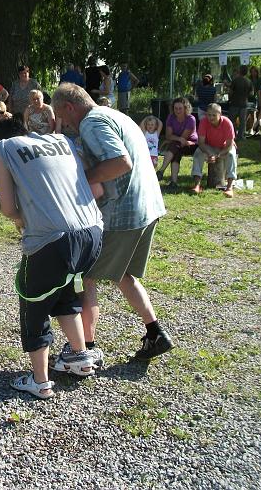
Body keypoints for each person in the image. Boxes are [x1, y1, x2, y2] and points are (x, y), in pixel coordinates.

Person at [52, 83, 172, 364]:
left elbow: (121, 162)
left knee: (87, 277)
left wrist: (83, 181)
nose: (64, 123)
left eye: (62, 115)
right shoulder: (116, 115)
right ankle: (155, 333)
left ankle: (85, 349)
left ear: (70, 106)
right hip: (147, 207)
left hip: (123, 214)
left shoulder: (92, 123)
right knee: (123, 275)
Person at [0, 117, 103, 399]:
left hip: (52, 240)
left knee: (34, 304)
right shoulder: (60, 140)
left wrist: (21, 219)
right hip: (92, 232)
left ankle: (40, 381)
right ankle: (80, 358)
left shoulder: (3, 147)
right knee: (65, 292)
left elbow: (7, 207)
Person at [190, 103, 238, 198]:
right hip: (209, 147)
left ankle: (229, 187)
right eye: (208, 114)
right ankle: (197, 185)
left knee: (231, 155)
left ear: (220, 115)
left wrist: (218, 155)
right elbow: (201, 143)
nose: (210, 117)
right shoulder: (204, 122)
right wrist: (210, 153)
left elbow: (229, 145)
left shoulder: (227, 123)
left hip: (224, 148)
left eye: (214, 115)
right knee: (198, 153)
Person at [156, 97, 198, 190]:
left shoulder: (191, 119)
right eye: (175, 108)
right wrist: (176, 138)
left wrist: (174, 138)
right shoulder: (171, 117)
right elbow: (168, 135)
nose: (177, 111)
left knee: (175, 146)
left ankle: (161, 171)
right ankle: (173, 182)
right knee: (176, 150)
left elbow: (183, 139)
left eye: (180, 108)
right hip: (178, 144)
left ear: (186, 108)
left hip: (191, 144)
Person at [227, 66, 253, 141]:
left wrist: (229, 99)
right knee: (243, 122)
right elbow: (251, 93)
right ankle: (241, 136)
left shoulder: (235, 80)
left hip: (234, 103)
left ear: (240, 71)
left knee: (232, 120)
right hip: (244, 104)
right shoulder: (249, 81)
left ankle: (232, 135)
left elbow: (230, 91)